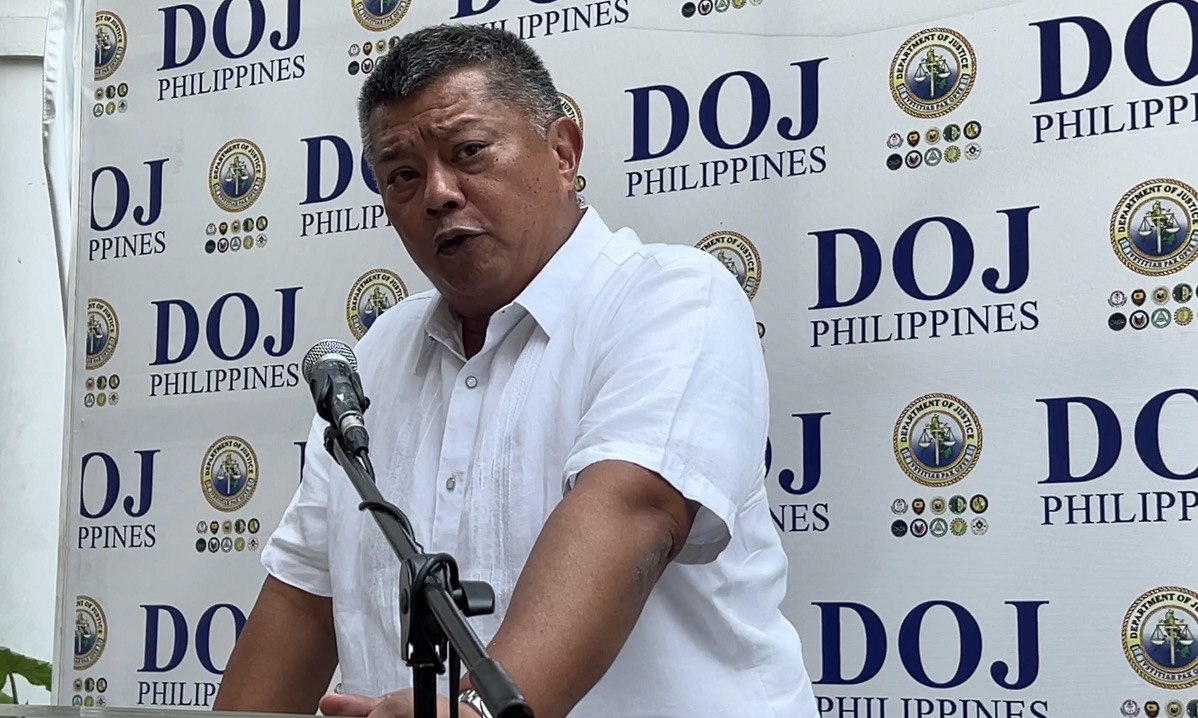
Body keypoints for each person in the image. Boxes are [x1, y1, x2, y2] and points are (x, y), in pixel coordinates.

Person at [213, 23, 818, 718]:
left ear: (563, 152)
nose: (438, 193)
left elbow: (634, 511)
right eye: (403, 175)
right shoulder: (377, 355)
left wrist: (477, 713)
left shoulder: (669, 297)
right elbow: (304, 600)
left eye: (468, 152)